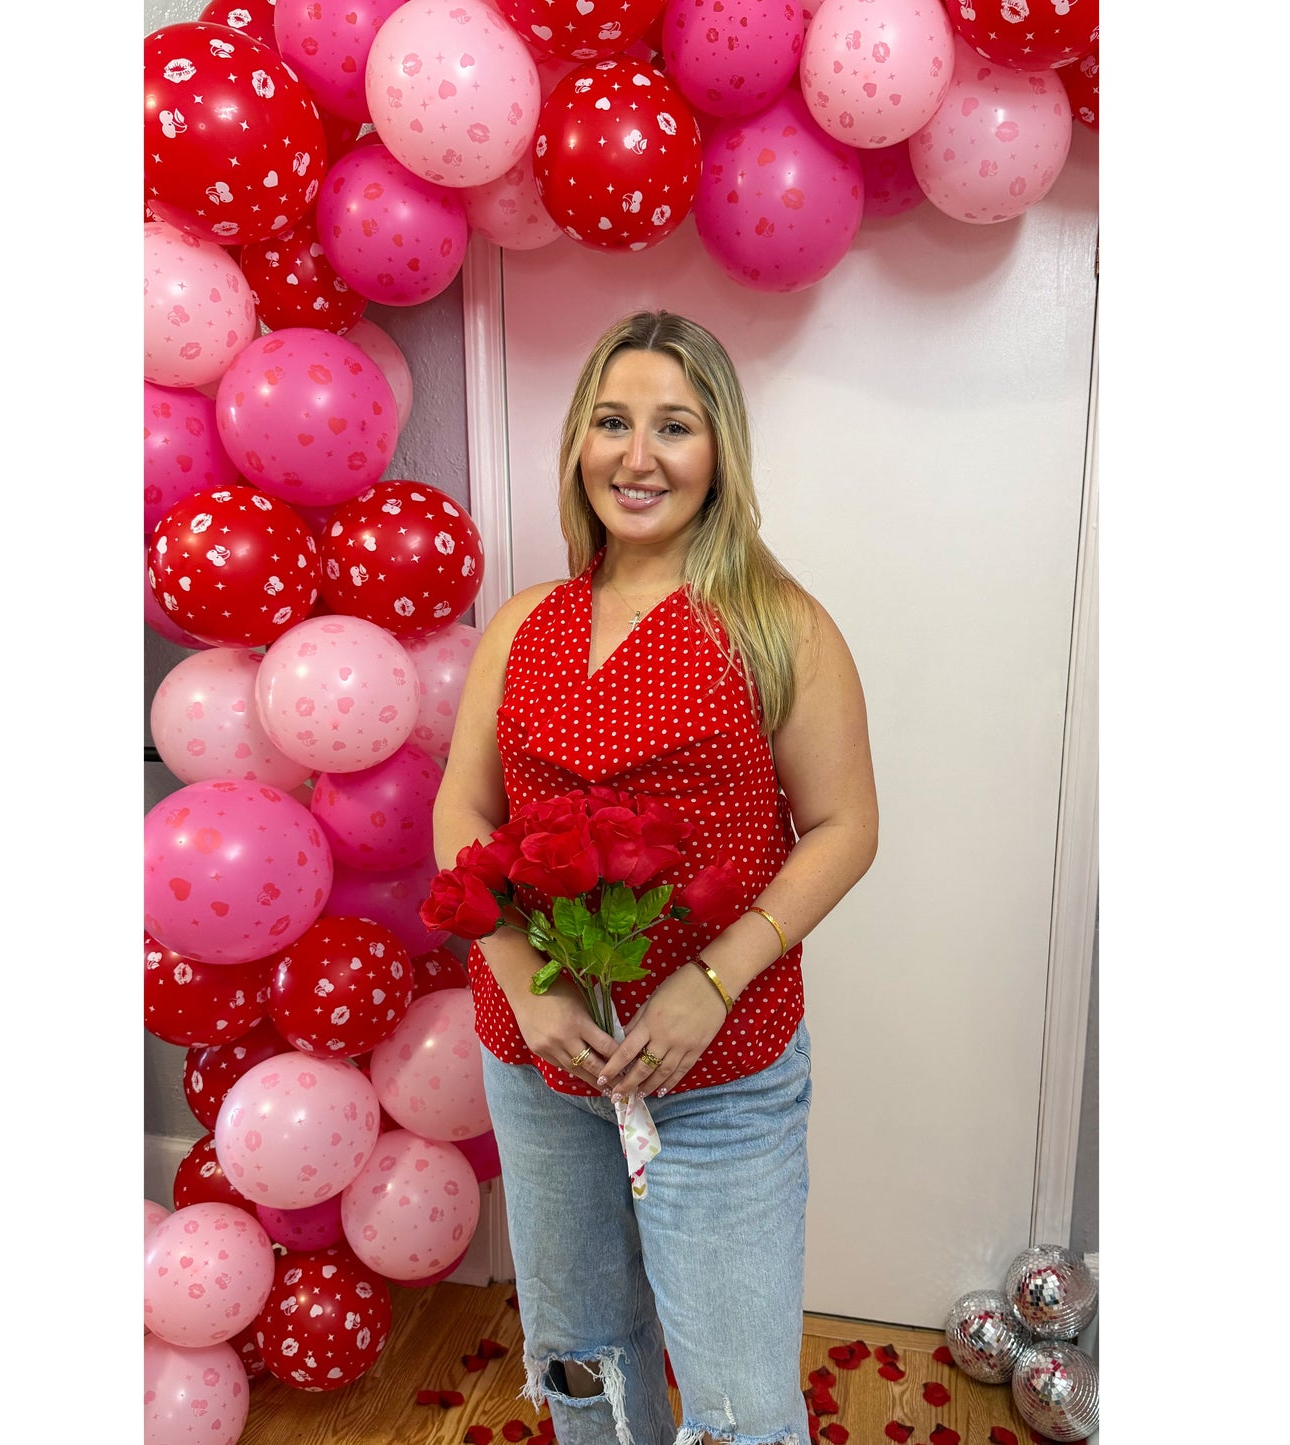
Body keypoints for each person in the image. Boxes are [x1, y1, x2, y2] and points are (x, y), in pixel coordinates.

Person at [432, 311, 878, 1445]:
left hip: (717, 1072)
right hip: (543, 1062)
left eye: (673, 426)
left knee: (737, 1406)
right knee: (580, 1354)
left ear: (718, 450)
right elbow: (462, 811)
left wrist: (710, 984)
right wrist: (521, 979)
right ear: (578, 444)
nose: (637, 456)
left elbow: (842, 827)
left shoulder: (778, 627)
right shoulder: (523, 625)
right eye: (611, 422)